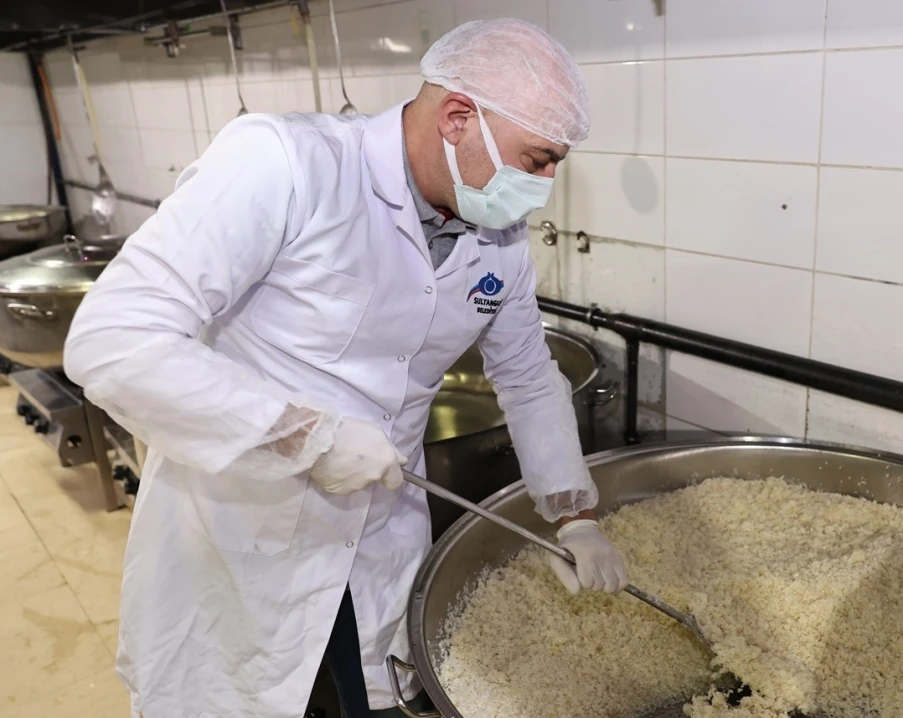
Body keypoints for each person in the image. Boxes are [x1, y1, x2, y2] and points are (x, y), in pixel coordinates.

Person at [62, 18, 628, 718]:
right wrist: (304, 435)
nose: (544, 184)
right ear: (458, 119)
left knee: (367, 699)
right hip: (241, 534)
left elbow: (527, 375)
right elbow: (114, 337)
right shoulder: (287, 164)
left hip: (380, 537)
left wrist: (574, 515)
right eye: (536, 160)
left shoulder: (499, 238)